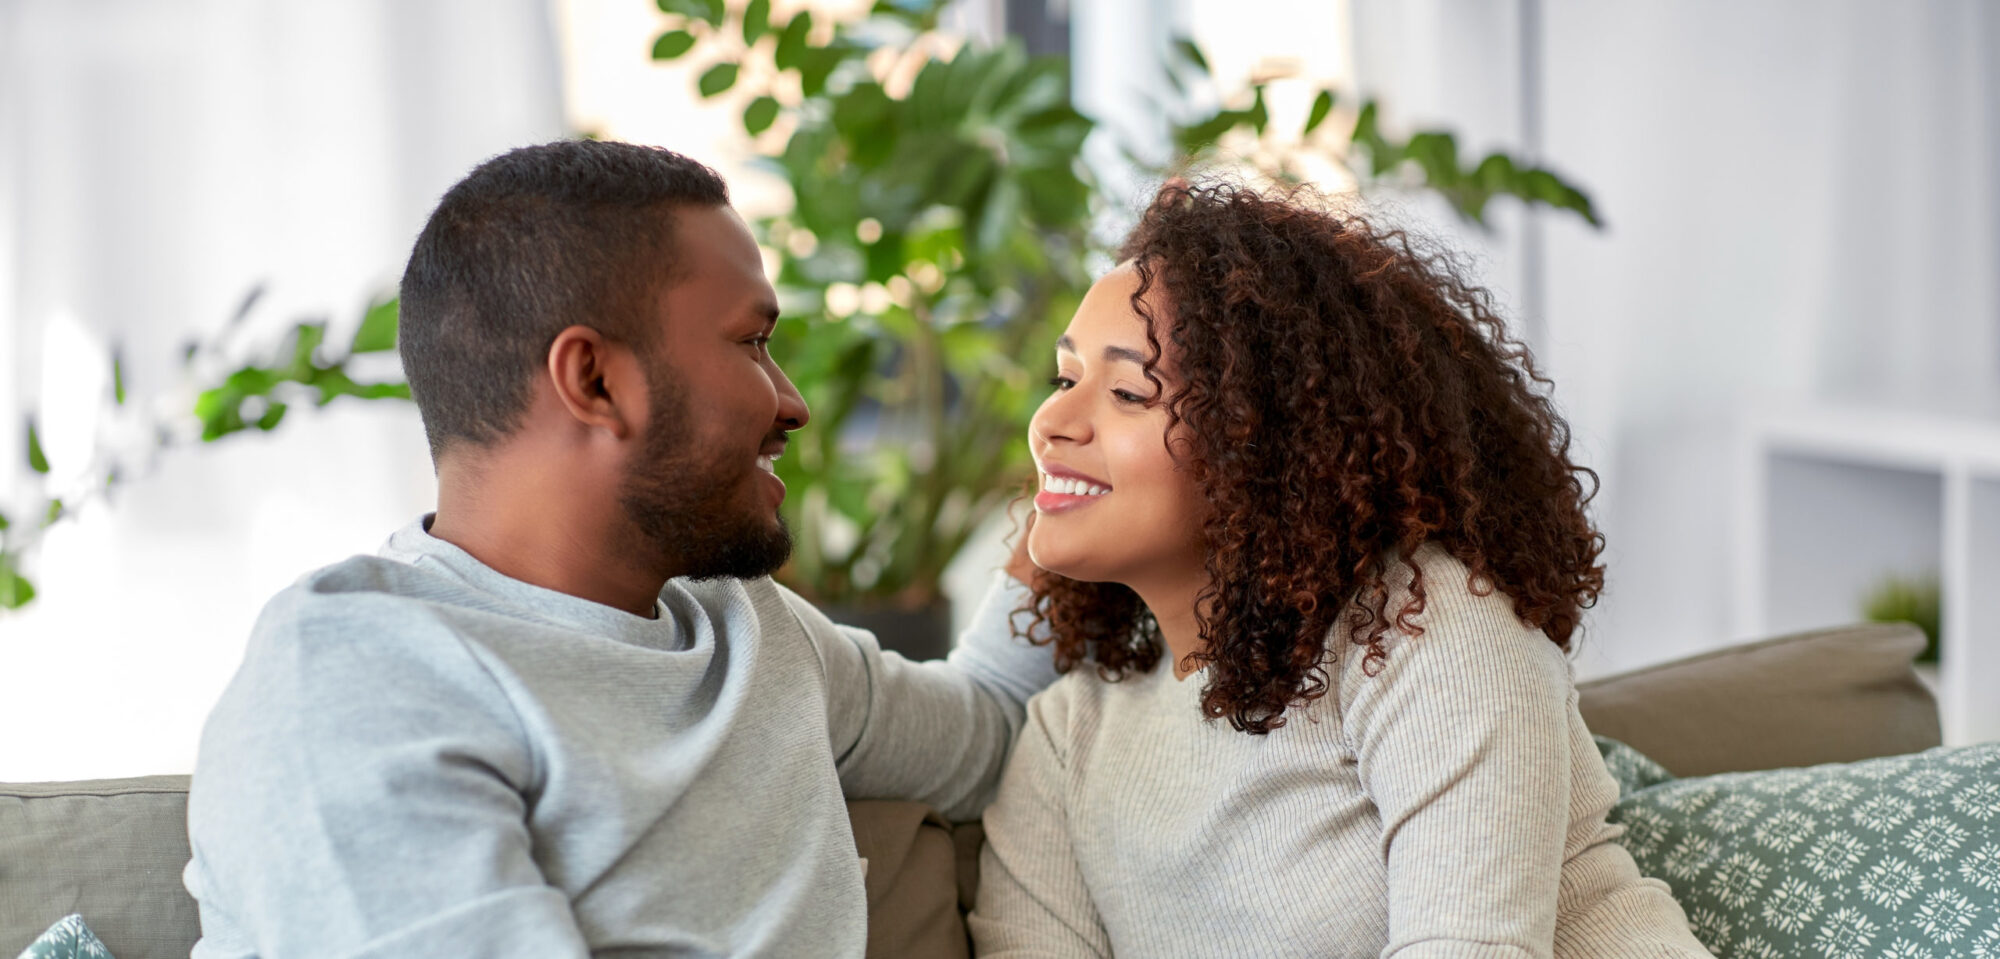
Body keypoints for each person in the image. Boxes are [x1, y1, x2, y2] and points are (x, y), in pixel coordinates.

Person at [182, 140, 1054, 958]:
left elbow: (992, 732)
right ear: (594, 379)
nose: (793, 403)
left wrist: (1075, 490)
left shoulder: (747, 624)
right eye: (752, 341)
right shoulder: (357, 679)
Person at [969, 180, 1714, 957]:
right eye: (1063, 379)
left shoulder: (1422, 628)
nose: (1050, 422)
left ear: (1267, 439)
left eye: (1129, 391)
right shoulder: (1066, 738)